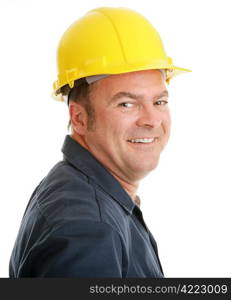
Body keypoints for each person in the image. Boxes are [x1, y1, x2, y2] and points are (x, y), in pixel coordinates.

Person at [9, 7, 190, 277]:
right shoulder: (89, 229)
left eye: (159, 101)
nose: (152, 120)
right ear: (79, 118)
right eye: (127, 104)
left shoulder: (83, 192)